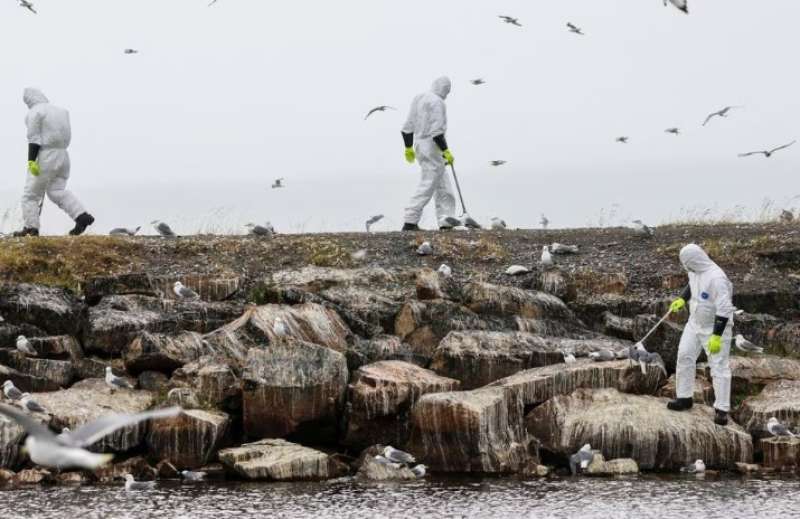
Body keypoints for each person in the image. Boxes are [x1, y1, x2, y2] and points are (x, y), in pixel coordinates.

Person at [667, 243, 734, 425]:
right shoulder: (695, 270)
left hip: (715, 327)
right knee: (684, 355)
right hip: (694, 323)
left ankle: (722, 409)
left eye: (687, 263)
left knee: (719, 366)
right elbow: (691, 285)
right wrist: (682, 298)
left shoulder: (717, 278)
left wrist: (717, 335)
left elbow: (725, 308)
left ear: (695, 259)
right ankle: (684, 397)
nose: (686, 267)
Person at [13, 88, 94, 237]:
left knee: (30, 195)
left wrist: (31, 160)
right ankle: (81, 216)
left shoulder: (35, 112)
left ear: (29, 100)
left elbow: (34, 138)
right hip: (63, 156)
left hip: (46, 155)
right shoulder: (62, 111)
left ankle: (31, 228)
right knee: (57, 191)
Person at [400, 76, 460, 231]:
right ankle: (410, 220)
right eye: (447, 90)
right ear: (442, 87)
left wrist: (408, 147)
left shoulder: (419, 98)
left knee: (443, 184)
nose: (447, 94)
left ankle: (446, 220)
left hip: (420, 145)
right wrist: (445, 150)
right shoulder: (438, 102)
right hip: (432, 146)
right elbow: (437, 132)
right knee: (428, 183)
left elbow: (407, 127)